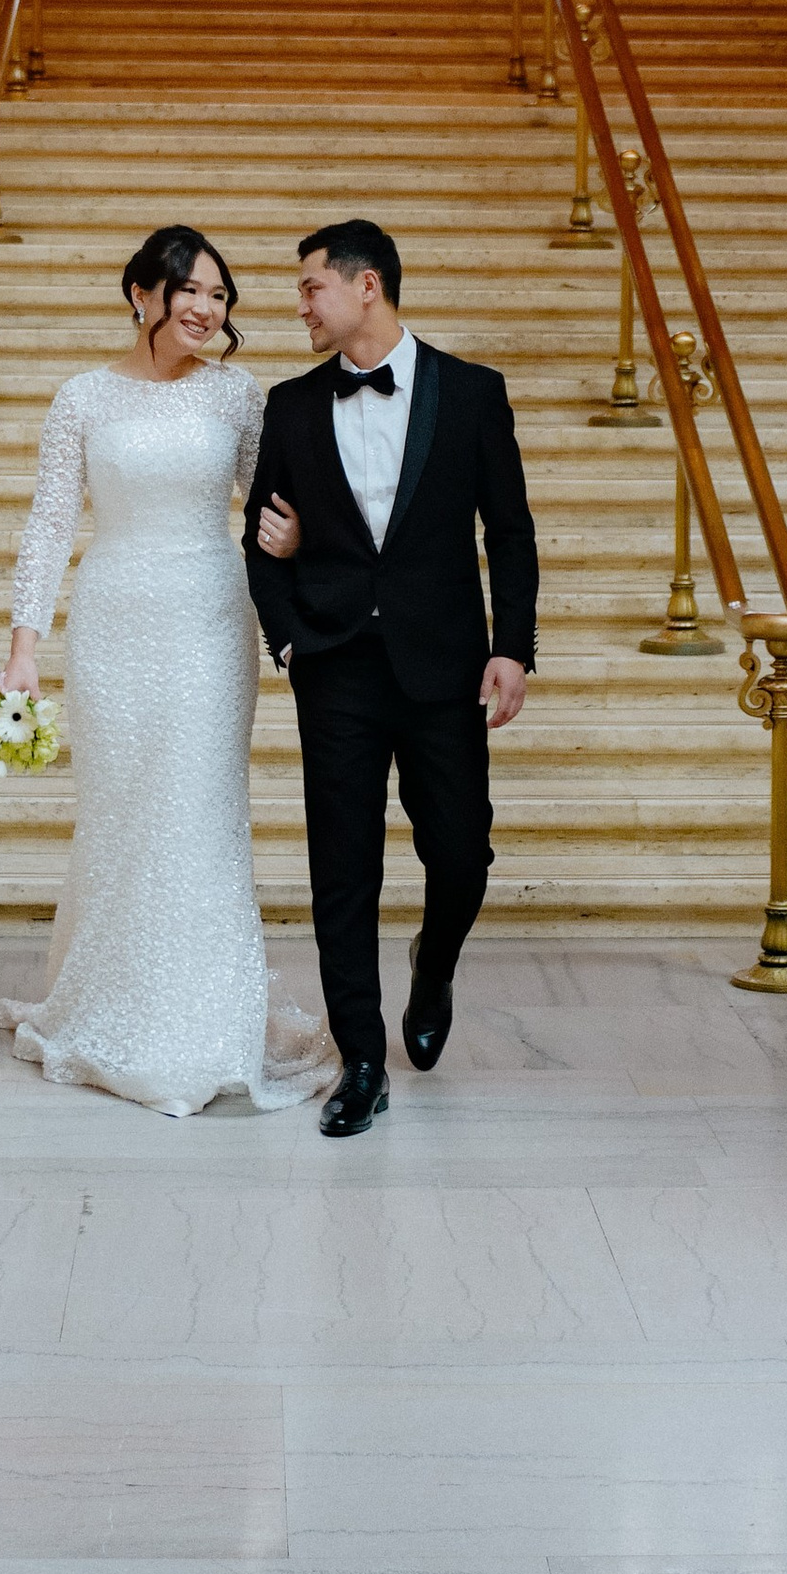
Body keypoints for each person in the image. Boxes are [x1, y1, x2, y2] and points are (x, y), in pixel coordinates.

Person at [0, 225, 335, 1118]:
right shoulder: (82, 398)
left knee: (198, 810)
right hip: (111, 623)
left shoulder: (236, 396)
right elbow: (48, 523)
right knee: (121, 811)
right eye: (191, 290)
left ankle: (206, 1021)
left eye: (220, 296)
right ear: (142, 293)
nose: (206, 309)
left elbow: (272, 503)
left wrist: (294, 539)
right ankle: (113, 1000)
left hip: (211, 622)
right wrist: (24, 645)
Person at [243, 217, 538, 1140]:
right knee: (343, 867)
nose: (299, 305)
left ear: (366, 286)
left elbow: (512, 531)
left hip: (444, 661)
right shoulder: (288, 407)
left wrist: (513, 646)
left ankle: (436, 961)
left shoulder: (475, 393)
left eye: (310, 288)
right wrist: (288, 637)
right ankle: (361, 1058)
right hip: (334, 666)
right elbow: (261, 540)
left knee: (461, 853)